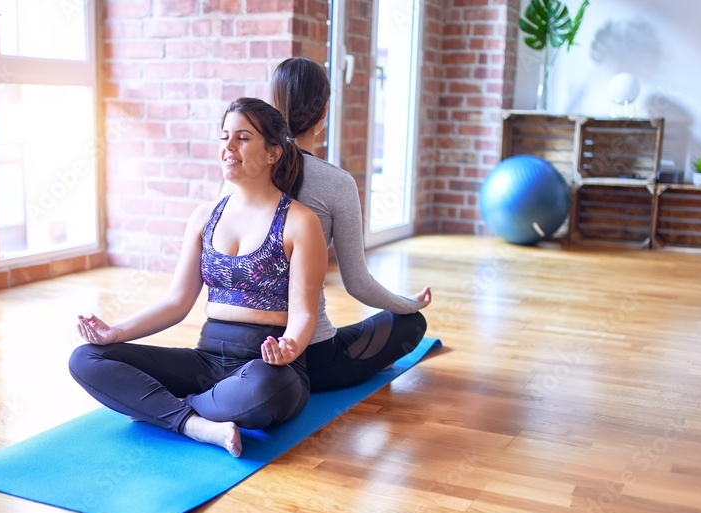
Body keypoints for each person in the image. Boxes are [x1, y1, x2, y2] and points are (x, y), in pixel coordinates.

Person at [68, 98, 327, 458]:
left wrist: (290, 347)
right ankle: (197, 424)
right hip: (206, 361)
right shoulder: (204, 217)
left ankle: (161, 407)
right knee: (86, 358)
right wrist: (117, 333)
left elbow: (304, 313)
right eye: (224, 137)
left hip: (265, 365)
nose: (228, 148)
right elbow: (177, 301)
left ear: (273, 153)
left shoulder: (300, 222)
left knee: (268, 391)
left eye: (242, 138)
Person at [270, 57, 432, 393]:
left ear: (272, 106)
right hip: (314, 359)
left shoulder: (244, 177)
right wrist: (408, 303)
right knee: (410, 324)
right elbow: (357, 284)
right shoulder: (336, 182)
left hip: (250, 350)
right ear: (324, 112)